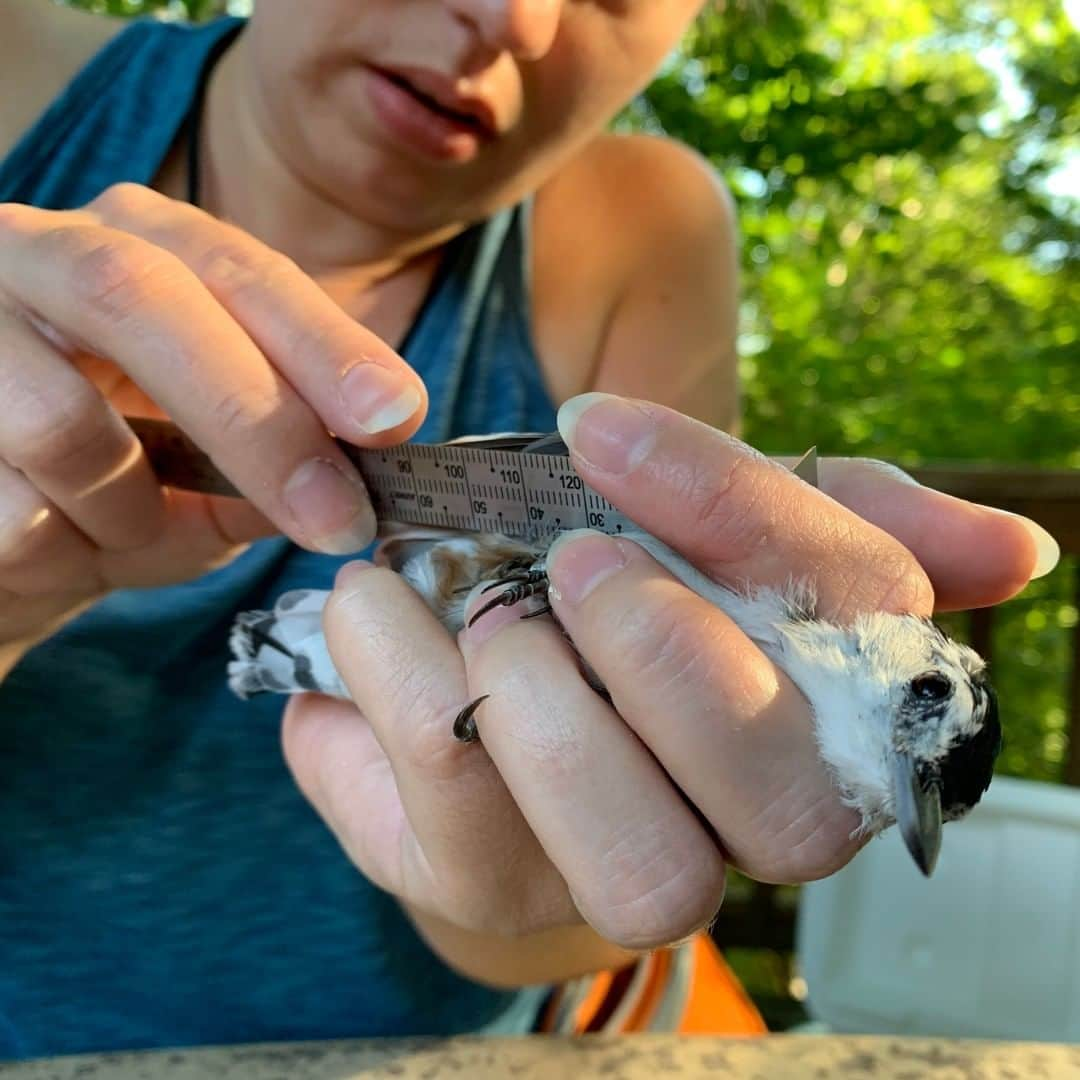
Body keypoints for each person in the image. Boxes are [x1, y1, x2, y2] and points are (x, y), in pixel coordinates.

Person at [0, 0, 1055, 1061]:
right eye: (921, 706)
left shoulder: (648, 225)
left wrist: (536, 867)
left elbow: (536, 916)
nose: (514, 16)